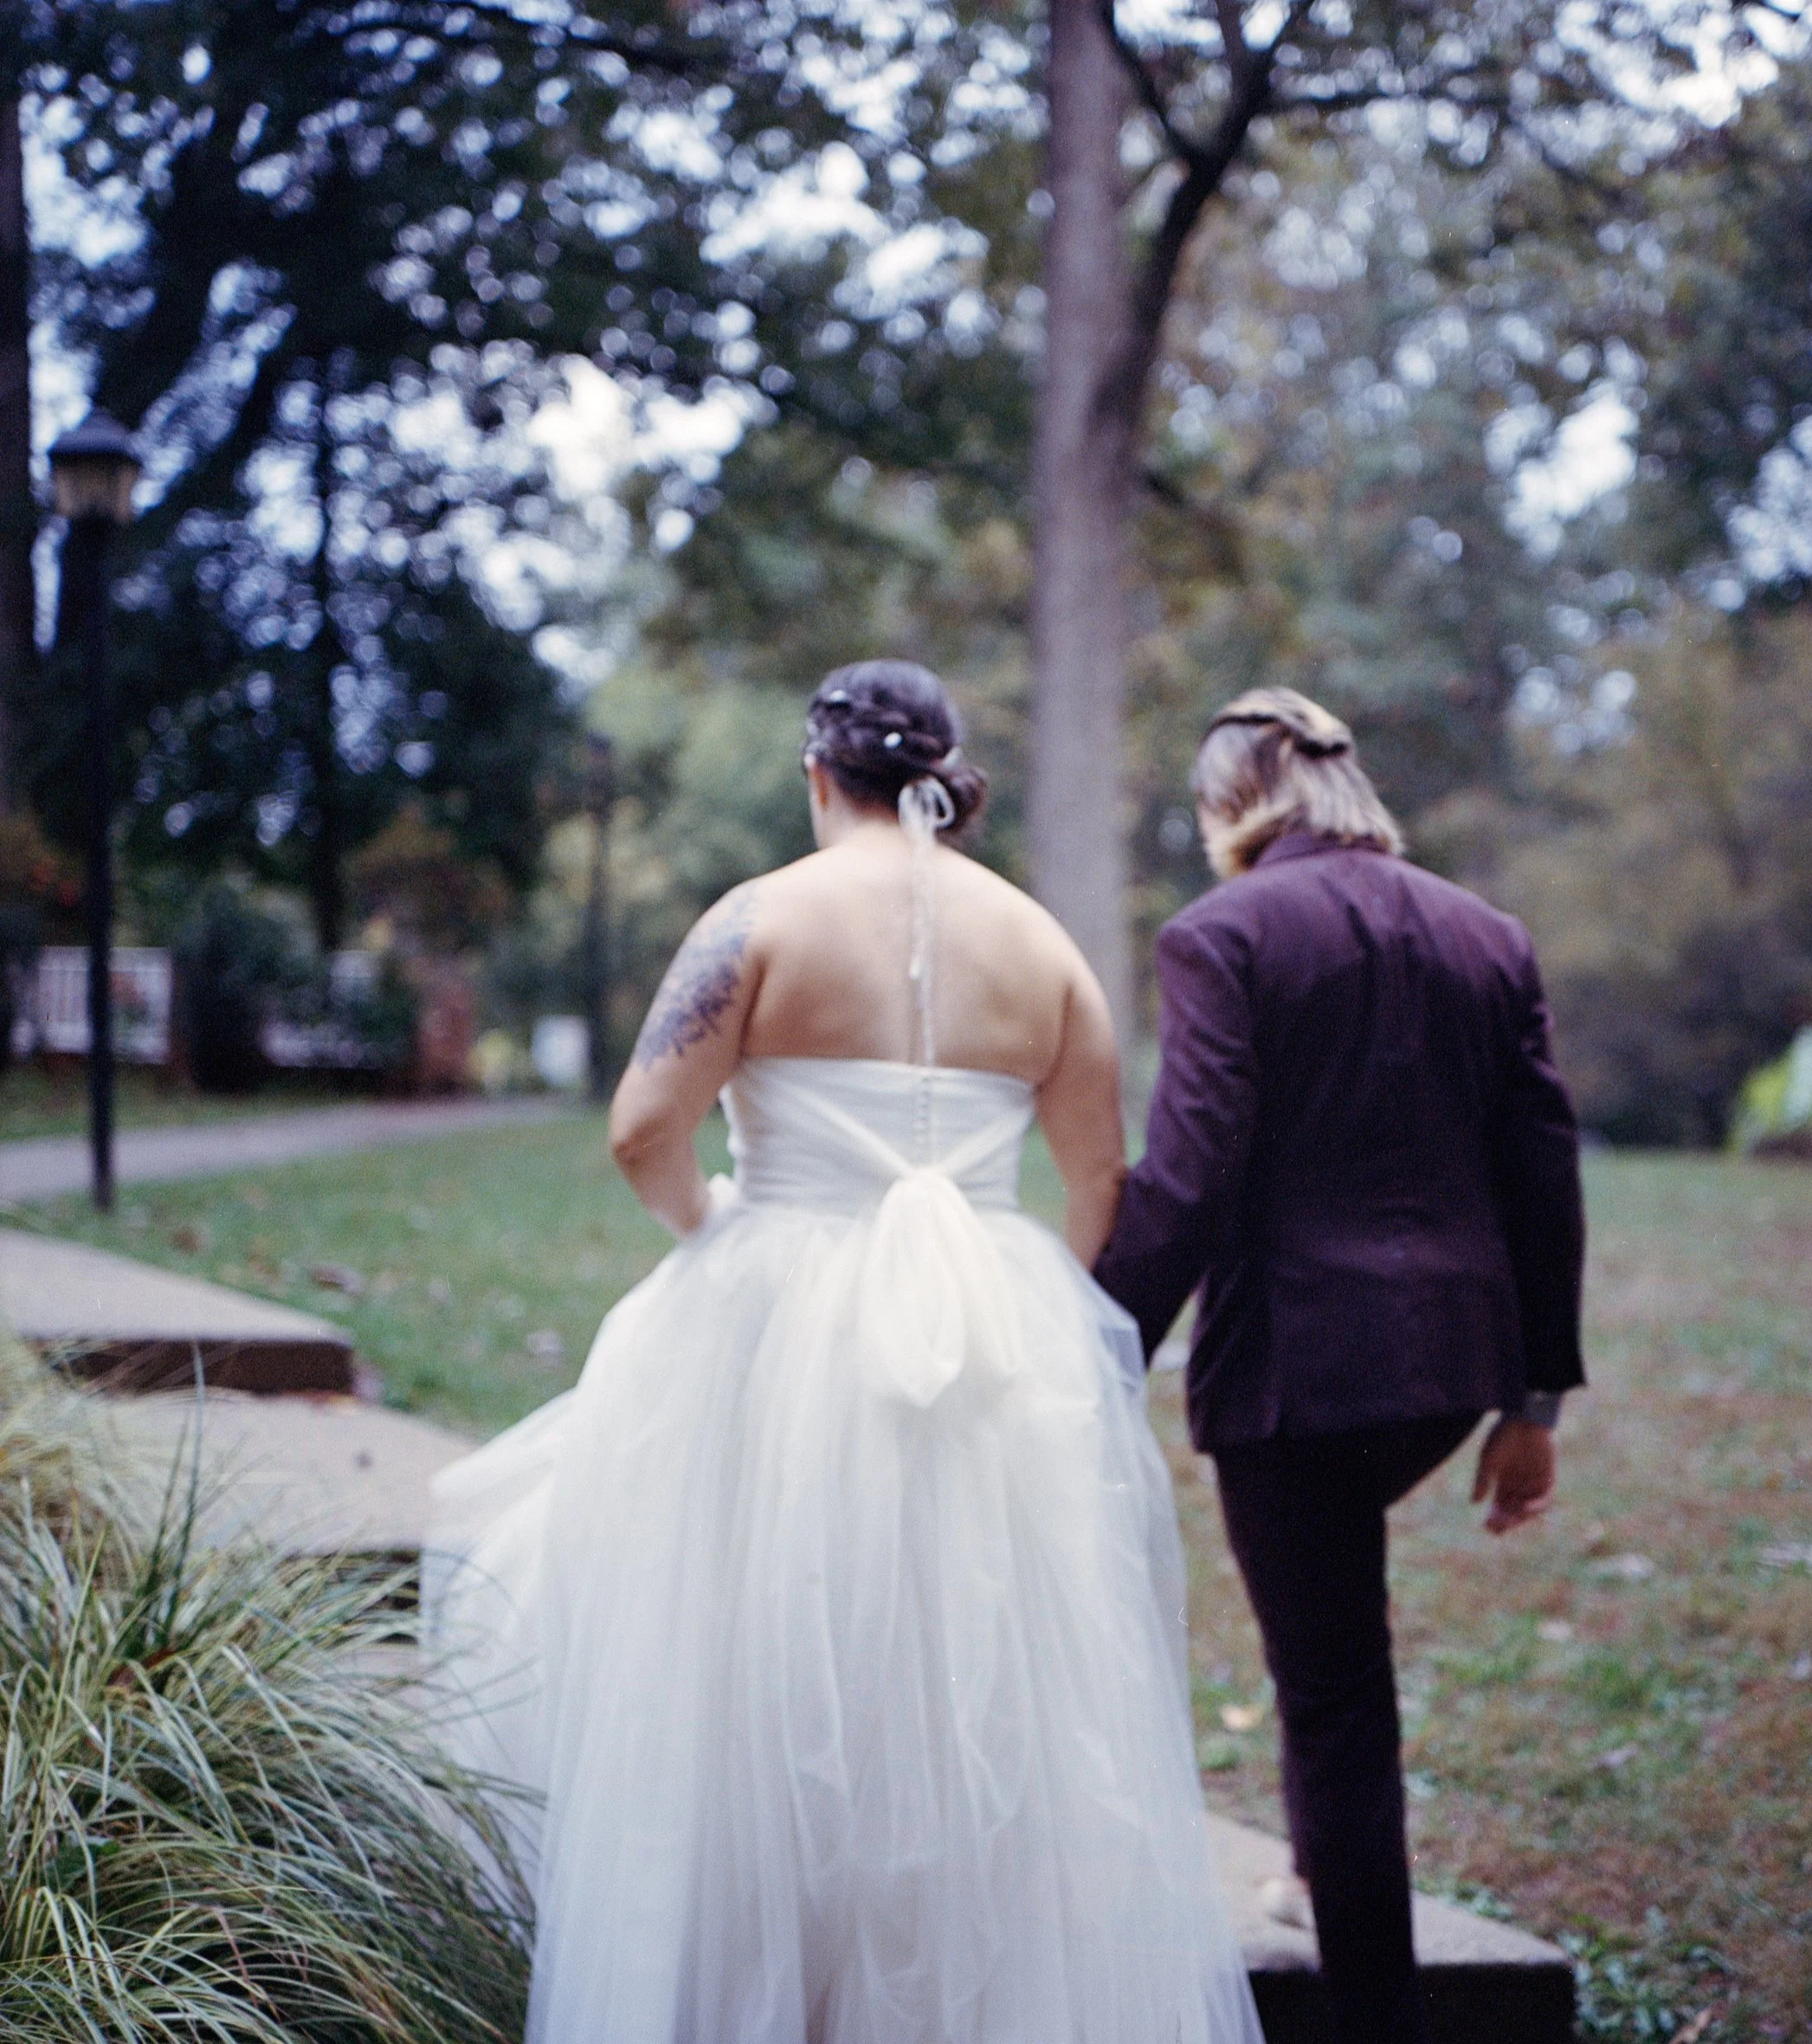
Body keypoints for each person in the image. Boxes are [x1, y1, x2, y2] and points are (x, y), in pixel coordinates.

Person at [424, 660, 1262, 2044]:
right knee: (986, 1695)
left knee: (734, 1669)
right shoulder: (1046, 948)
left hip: (773, 1311)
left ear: (820, 775)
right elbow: (1102, 1175)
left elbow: (644, 1130)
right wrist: (1017, 1287)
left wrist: (714, 1230)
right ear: (947, 780)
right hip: (990, 1332)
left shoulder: (759, 920)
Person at [1094, 687, 1586, 2044]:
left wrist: (1089, 1352)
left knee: (1332, 1693)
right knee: (1333, 1645)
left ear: (1228, 803)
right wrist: (1532, 1402)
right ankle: (1321, 1875)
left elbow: (1187, 1182)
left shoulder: (1218, 937)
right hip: (1446, 1371)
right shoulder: (1489, 937)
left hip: (1297, 1377)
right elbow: (1543, 1179)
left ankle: (1374, 2009)